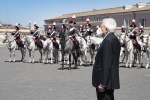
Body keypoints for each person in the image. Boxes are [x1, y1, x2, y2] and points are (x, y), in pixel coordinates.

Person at [92, 18, 121, 100]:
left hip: (105, 82)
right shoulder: (114, 38)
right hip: (110, 80)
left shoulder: (108, 40)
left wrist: (103, 84)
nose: (100, 29)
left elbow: (106, 63)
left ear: (106, 29)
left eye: (101, 27)